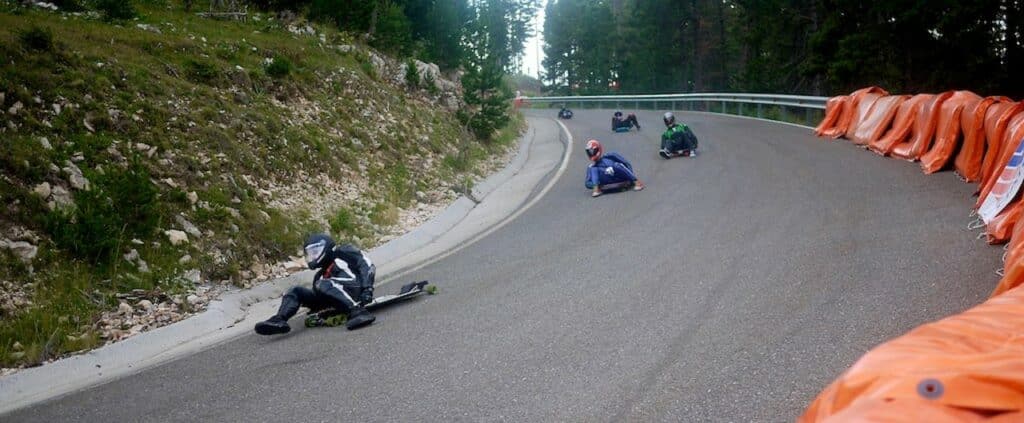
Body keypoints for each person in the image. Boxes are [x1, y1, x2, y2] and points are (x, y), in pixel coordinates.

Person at [255, 234, 376, 334]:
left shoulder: (343, 252)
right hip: (333, 293)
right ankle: (279, 319)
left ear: (326, 248)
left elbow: (367, 265)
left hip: (355, 288)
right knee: (296, 290)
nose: (313, 256)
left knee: (321, 284)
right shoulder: (320, 276)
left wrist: (367, 288)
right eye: (310, 253)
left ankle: (357, 311)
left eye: (315, 251)